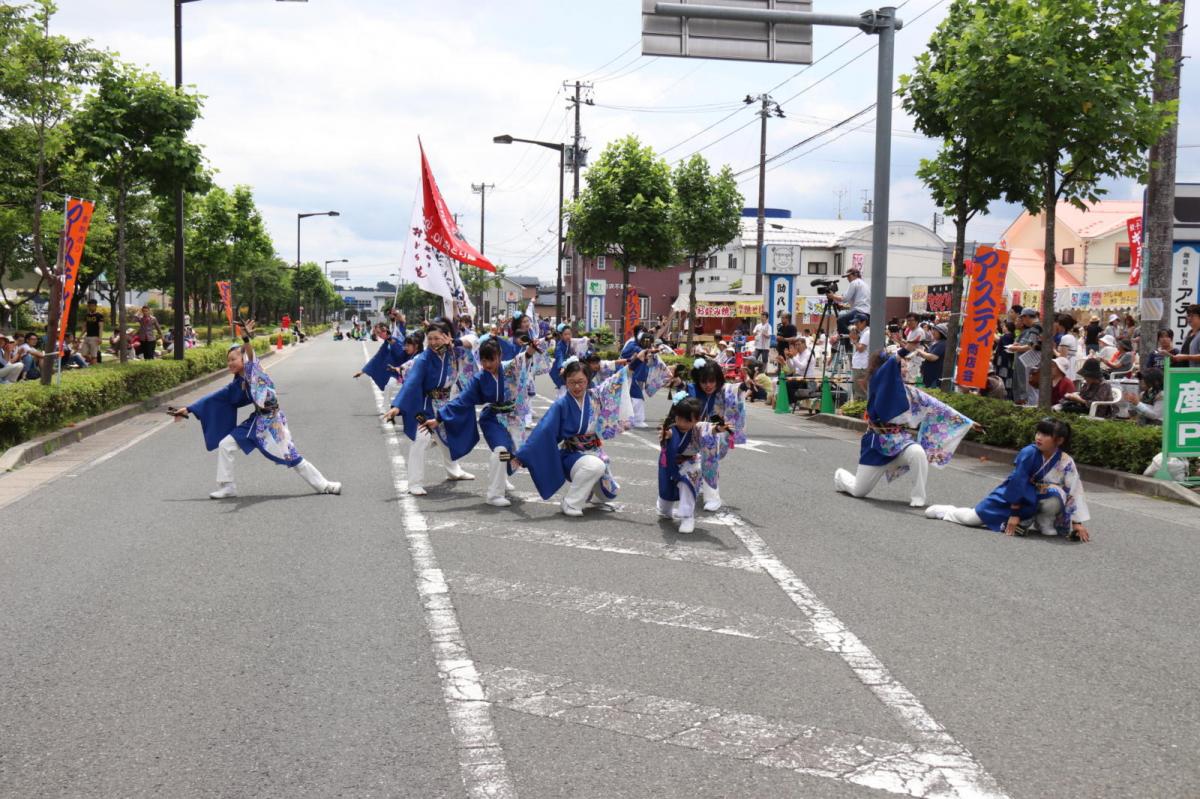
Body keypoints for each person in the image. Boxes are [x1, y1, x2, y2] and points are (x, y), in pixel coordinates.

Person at [170, 321, 341, 498]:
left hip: (272, 422)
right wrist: (188, 409)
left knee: (291, 456)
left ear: (243, 359)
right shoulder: (238, 382)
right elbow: (215, 397)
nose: (230, 363)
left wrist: (245, 339)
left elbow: (250, 355)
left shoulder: (254, 371)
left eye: (233, 359)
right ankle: (228, 487)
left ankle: (325, 485)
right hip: (257, 421)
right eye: (228, 360)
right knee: (225, 445)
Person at [834, 350, 975, 509]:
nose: (905, 369)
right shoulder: (876, 383)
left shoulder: (909, 391)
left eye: (905, 366)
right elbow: (886, 371)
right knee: (858, 491)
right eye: (901, 366)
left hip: (899, 442)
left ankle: (918, 496)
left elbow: (938, 406)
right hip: (877, 445)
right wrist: (903, 350)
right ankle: (840, 476)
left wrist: (967, 422)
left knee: (918, 452)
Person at [421, 337, 543, 507]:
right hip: (492, 418)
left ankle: (500, 477)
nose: (487, 364)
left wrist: (531, 349)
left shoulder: (509, 368)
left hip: (514, 418)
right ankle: (494, 495)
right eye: (484, 360)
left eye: (491, 359)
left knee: (513, 454)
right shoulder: (480, 379)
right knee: (501, 450)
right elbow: (462, 400)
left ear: (499, 356)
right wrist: (439, 418)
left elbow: (524, 358)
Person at [925, 418, 1090, 541]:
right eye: (1038, 432)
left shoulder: (1066, 461)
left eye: (1045, 434)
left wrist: (1077, 523)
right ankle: (948, 511)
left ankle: (1044, 522)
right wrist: (1014, 513)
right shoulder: (1029, 453)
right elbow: (1018, 482)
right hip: (1012, 497)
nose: (1039, 437)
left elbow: (1074, 489)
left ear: (1059, 440)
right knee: (972, 519)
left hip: (1036, 500)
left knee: (1056, 492)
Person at [512, 357, 636, 517]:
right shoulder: (561, 405)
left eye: (581, 382)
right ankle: (570, 502)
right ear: (566, 382)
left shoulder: (596, 396)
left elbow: (617, 380)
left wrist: (638, 361)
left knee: (608, 493)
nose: (577, 386)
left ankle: (591, 491)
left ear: (588, 380)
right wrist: (523, 455)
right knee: (595, 466)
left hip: (595, 452)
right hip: (571, 455)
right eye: (572, 382)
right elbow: (543, 431)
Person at [383, 318, 477, 495]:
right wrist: (398, 406)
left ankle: (453, 471)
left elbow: (474, 340)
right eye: (430, 339)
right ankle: (414, 483)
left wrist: (455, 342)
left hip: (445, 404)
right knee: (421, 438)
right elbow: (412, 382)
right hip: (423, 406)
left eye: (437, 338)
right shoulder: (424, 358)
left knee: (448, 439)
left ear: (447, 337)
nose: (433, 342)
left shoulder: (454, 351)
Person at [656, 397, 733, 534]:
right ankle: (664, 507)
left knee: (688, 484)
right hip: (670, 463)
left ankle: (687, 517)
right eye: (679, 418)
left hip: (690, 463)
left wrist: (718, 428)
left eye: (687, 420)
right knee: (665, 497)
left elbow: (709, 429)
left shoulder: (698, 428)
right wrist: (666, 435)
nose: (682, 423)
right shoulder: (672, 429)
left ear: (696, 420)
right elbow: (669, 435)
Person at [685, 358, 747, 511]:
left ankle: (712, 497)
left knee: (709, 449)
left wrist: (744, 386)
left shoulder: (724, 390)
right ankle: (696, 484)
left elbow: (736, 389)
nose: (708, 385)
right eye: (704, 381)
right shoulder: (691, 390)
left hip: (716, 431)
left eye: (712, 381)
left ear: (718, 379)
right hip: (693, 431)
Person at [619, 331, 672, 429]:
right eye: (646, 341)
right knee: (637, 398)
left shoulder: (647, 351)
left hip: (641, 377)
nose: (648, 343)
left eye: (650, 342)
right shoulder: (634, 347)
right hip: (632, 376)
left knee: (632, 398)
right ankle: (637, 420)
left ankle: (628, 418)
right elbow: (627, 354)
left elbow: (656, 363)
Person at [355, 322, 411, 391]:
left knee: (394, 391)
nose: (379, 335)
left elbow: (401, 354)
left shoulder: (396, 338)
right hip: (397, 374)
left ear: (385, 330)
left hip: (405, 372)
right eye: (377, 333)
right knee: (391, 390)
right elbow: (377, 358)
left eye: (379, 332)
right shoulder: (386, 343)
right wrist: (362, 371)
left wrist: (390, 340)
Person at [1008, 308, 1041, 405]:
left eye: (1022, 318)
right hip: (1036, 360)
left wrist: (1016, 348)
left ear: (1026, 317)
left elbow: (1030, 345)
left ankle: (1030, 408)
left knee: (1030, 388)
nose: (1022, 321)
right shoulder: (1039, 325)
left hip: (1033, 361)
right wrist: (1019, 346)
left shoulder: (1036, 327)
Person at [831, 266, 870, 340]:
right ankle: (857, 339)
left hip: (859, 311)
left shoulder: (854, 282)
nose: (847, 278)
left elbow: (845, 299)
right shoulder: (864, 284)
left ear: (855, 275)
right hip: (867, 312)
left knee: (840, 320)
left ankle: (851, 340)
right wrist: (844, 307)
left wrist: (832, 296)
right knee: (857, 330)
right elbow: (861, 302)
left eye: (849, 276)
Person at [911, 323, 948, 388]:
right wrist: (921, 354)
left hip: (935, 375)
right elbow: (929, 354)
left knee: (932, 390)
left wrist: (920, 351)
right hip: (929, 374)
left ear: (941, 333)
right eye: (933, 330)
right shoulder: (937, 342)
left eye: (935, 331)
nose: (933, 332)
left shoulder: (942, 344)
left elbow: (932, 357)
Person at [848, 313, 871, 400]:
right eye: (854, 323)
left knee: (860, 393)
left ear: (864, 322)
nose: (855, 325)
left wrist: (854, 340)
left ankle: (860, 408)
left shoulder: (867, 333)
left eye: (857, 323)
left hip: (861, 367)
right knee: (859, 391)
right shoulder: (863, 333)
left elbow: (861, 348)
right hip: (860, 366)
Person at [1054, 315, 1079, 380]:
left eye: (1058, 325)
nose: (1057, 327)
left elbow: (1062, 358)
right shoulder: (1072, 336)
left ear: (1062, 326)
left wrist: (1053, 349)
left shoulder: (1066, 338)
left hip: (1066, 369)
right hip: (1070, 367)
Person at [82, 298, 103, 364]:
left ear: (96, 306)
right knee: (83, 353)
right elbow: (85, 328)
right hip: (87, 337)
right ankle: (93, 363)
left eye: (92, 305)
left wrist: (100, 338)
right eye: (89, 306)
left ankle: (94, 366)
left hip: (95, 337)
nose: (91, 307)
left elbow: (101, 327)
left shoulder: (99, 315)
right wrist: (80, 336)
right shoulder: (86, 315)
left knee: (94, 355)